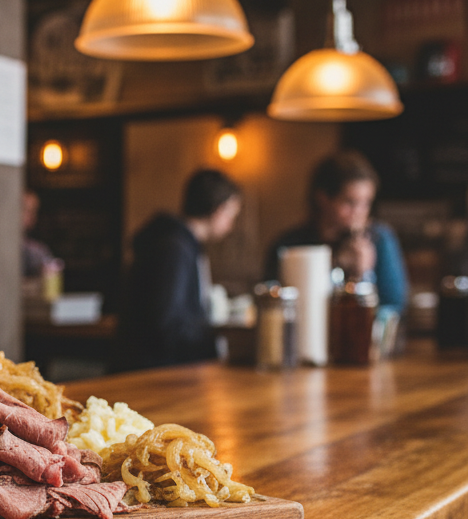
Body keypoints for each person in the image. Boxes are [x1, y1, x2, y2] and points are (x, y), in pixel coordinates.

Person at [116, 169, 242, 370]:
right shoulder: (175, 249)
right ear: (218, 210)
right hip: (154, 372)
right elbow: (166, 325)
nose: (231, 226)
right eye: (231, 215)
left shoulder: (177, 243)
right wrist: (218, 336)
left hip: (154, 367)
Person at [266, 150, 408, 312]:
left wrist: (364, 275)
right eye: (350, 203)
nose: (359, 213)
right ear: (323, 198)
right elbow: (274, 303)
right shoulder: (291, 245)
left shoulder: (380, 240)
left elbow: (394, 306)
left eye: (366, 203)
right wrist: (334, 265)